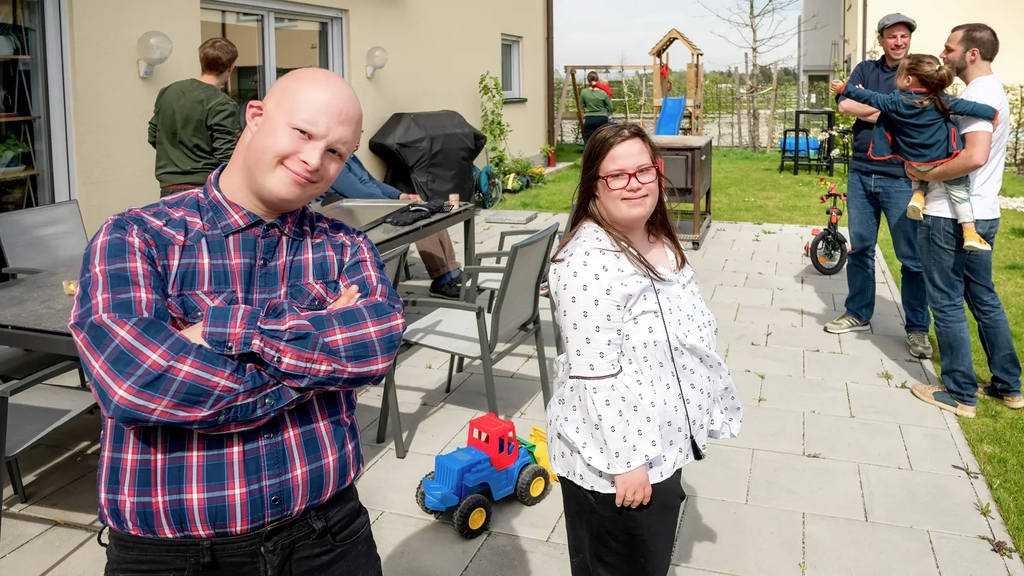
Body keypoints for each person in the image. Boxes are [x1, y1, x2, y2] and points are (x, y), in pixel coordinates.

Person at [70, 68, 404, 574]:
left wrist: (225, 332)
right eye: (303, 133)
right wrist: (316, 361)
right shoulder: (137, 237)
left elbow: (376, 345)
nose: (314, 160)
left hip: (328, 537)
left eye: (336, 151)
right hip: (175, 556)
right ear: (255, 116)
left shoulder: (345, 245)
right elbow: (136, 384)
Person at [545, 122, 742, 575]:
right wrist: (628, 462)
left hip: (659, 445)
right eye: (616, 175)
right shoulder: (587, 265)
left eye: (643, 171)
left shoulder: (658, 240)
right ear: (593, 185)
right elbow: (595, 376)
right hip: (618, 461)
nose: (633, 184)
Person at [905, 23, 1024, 417]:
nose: (944, 54)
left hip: (948, 216)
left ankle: (960, 394)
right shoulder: (993, 91)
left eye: (949, 48)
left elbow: (973, 156)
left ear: (972, 53)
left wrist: (923, 175)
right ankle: (1009, 387)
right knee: (983, 297)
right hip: (982, 213)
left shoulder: (978, 94)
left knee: (947, 301)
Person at [824, 13, 933, 362]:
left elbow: (923, 111)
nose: (898, 42)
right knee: (860, 249)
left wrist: (873, 107)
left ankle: (917, 329)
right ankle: (858, 312)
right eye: (892, 37)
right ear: (881, 39)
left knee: (911, 259)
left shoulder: (920, 73)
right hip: (861, 173)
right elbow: (844, 104)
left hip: (902, 176)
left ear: (909, 39)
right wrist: (894, 110)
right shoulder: (866, 71)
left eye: (903, 36)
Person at [829, 53, 998, 251]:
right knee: (960, 192)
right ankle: (969, 232)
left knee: (916, 172)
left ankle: (918, 197)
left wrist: (844, 88)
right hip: (942, 159)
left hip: (913, 161)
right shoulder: (942, 101)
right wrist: (992, 114)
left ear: (908, 80)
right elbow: (969, 107)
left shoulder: (895, 101)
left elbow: (869, 97)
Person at [319, 150, 464, 300]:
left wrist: (400, 196)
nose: (358, 140)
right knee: (418, 221)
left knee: (431, 213)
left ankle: (450, 270)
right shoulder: (334, 162)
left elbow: (372, 182)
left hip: (377, 205)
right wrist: (395, 205)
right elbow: (359, 192)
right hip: (363, 212)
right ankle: (441, 279)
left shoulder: (352, 157)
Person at [148, 37, 241, 197]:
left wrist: (179, 156)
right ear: (230, 67)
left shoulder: (169, 91)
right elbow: (227, 154)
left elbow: (153, 136)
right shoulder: (222, 103)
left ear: (202, 62)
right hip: (203, 189)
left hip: (168, 188)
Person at [579, 71, 614, 145]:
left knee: (588, 143)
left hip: (590, 119)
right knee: (602, 142)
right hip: (602, 119)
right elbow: (610, 106)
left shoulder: (584, 92)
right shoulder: (603, 93)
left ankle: (589, 156)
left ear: (588, 80)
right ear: (597, 80)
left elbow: (581, 107)